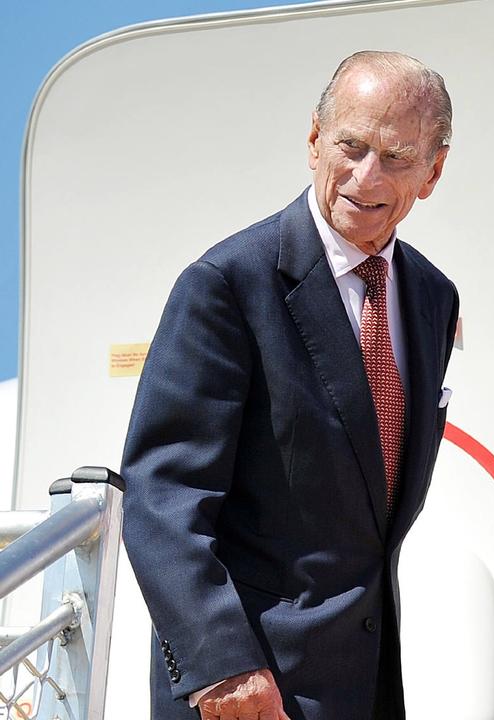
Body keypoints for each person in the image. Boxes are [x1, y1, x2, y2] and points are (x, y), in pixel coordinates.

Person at [121, 51, 459, 720]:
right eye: (351, 146)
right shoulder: (226, 285)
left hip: (363, 689)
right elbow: (164, 496)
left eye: (396, 156)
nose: (366, 176)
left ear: (433, 172)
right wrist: (221, 664)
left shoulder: (433, 298)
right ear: (314, 141)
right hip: (245, 690)